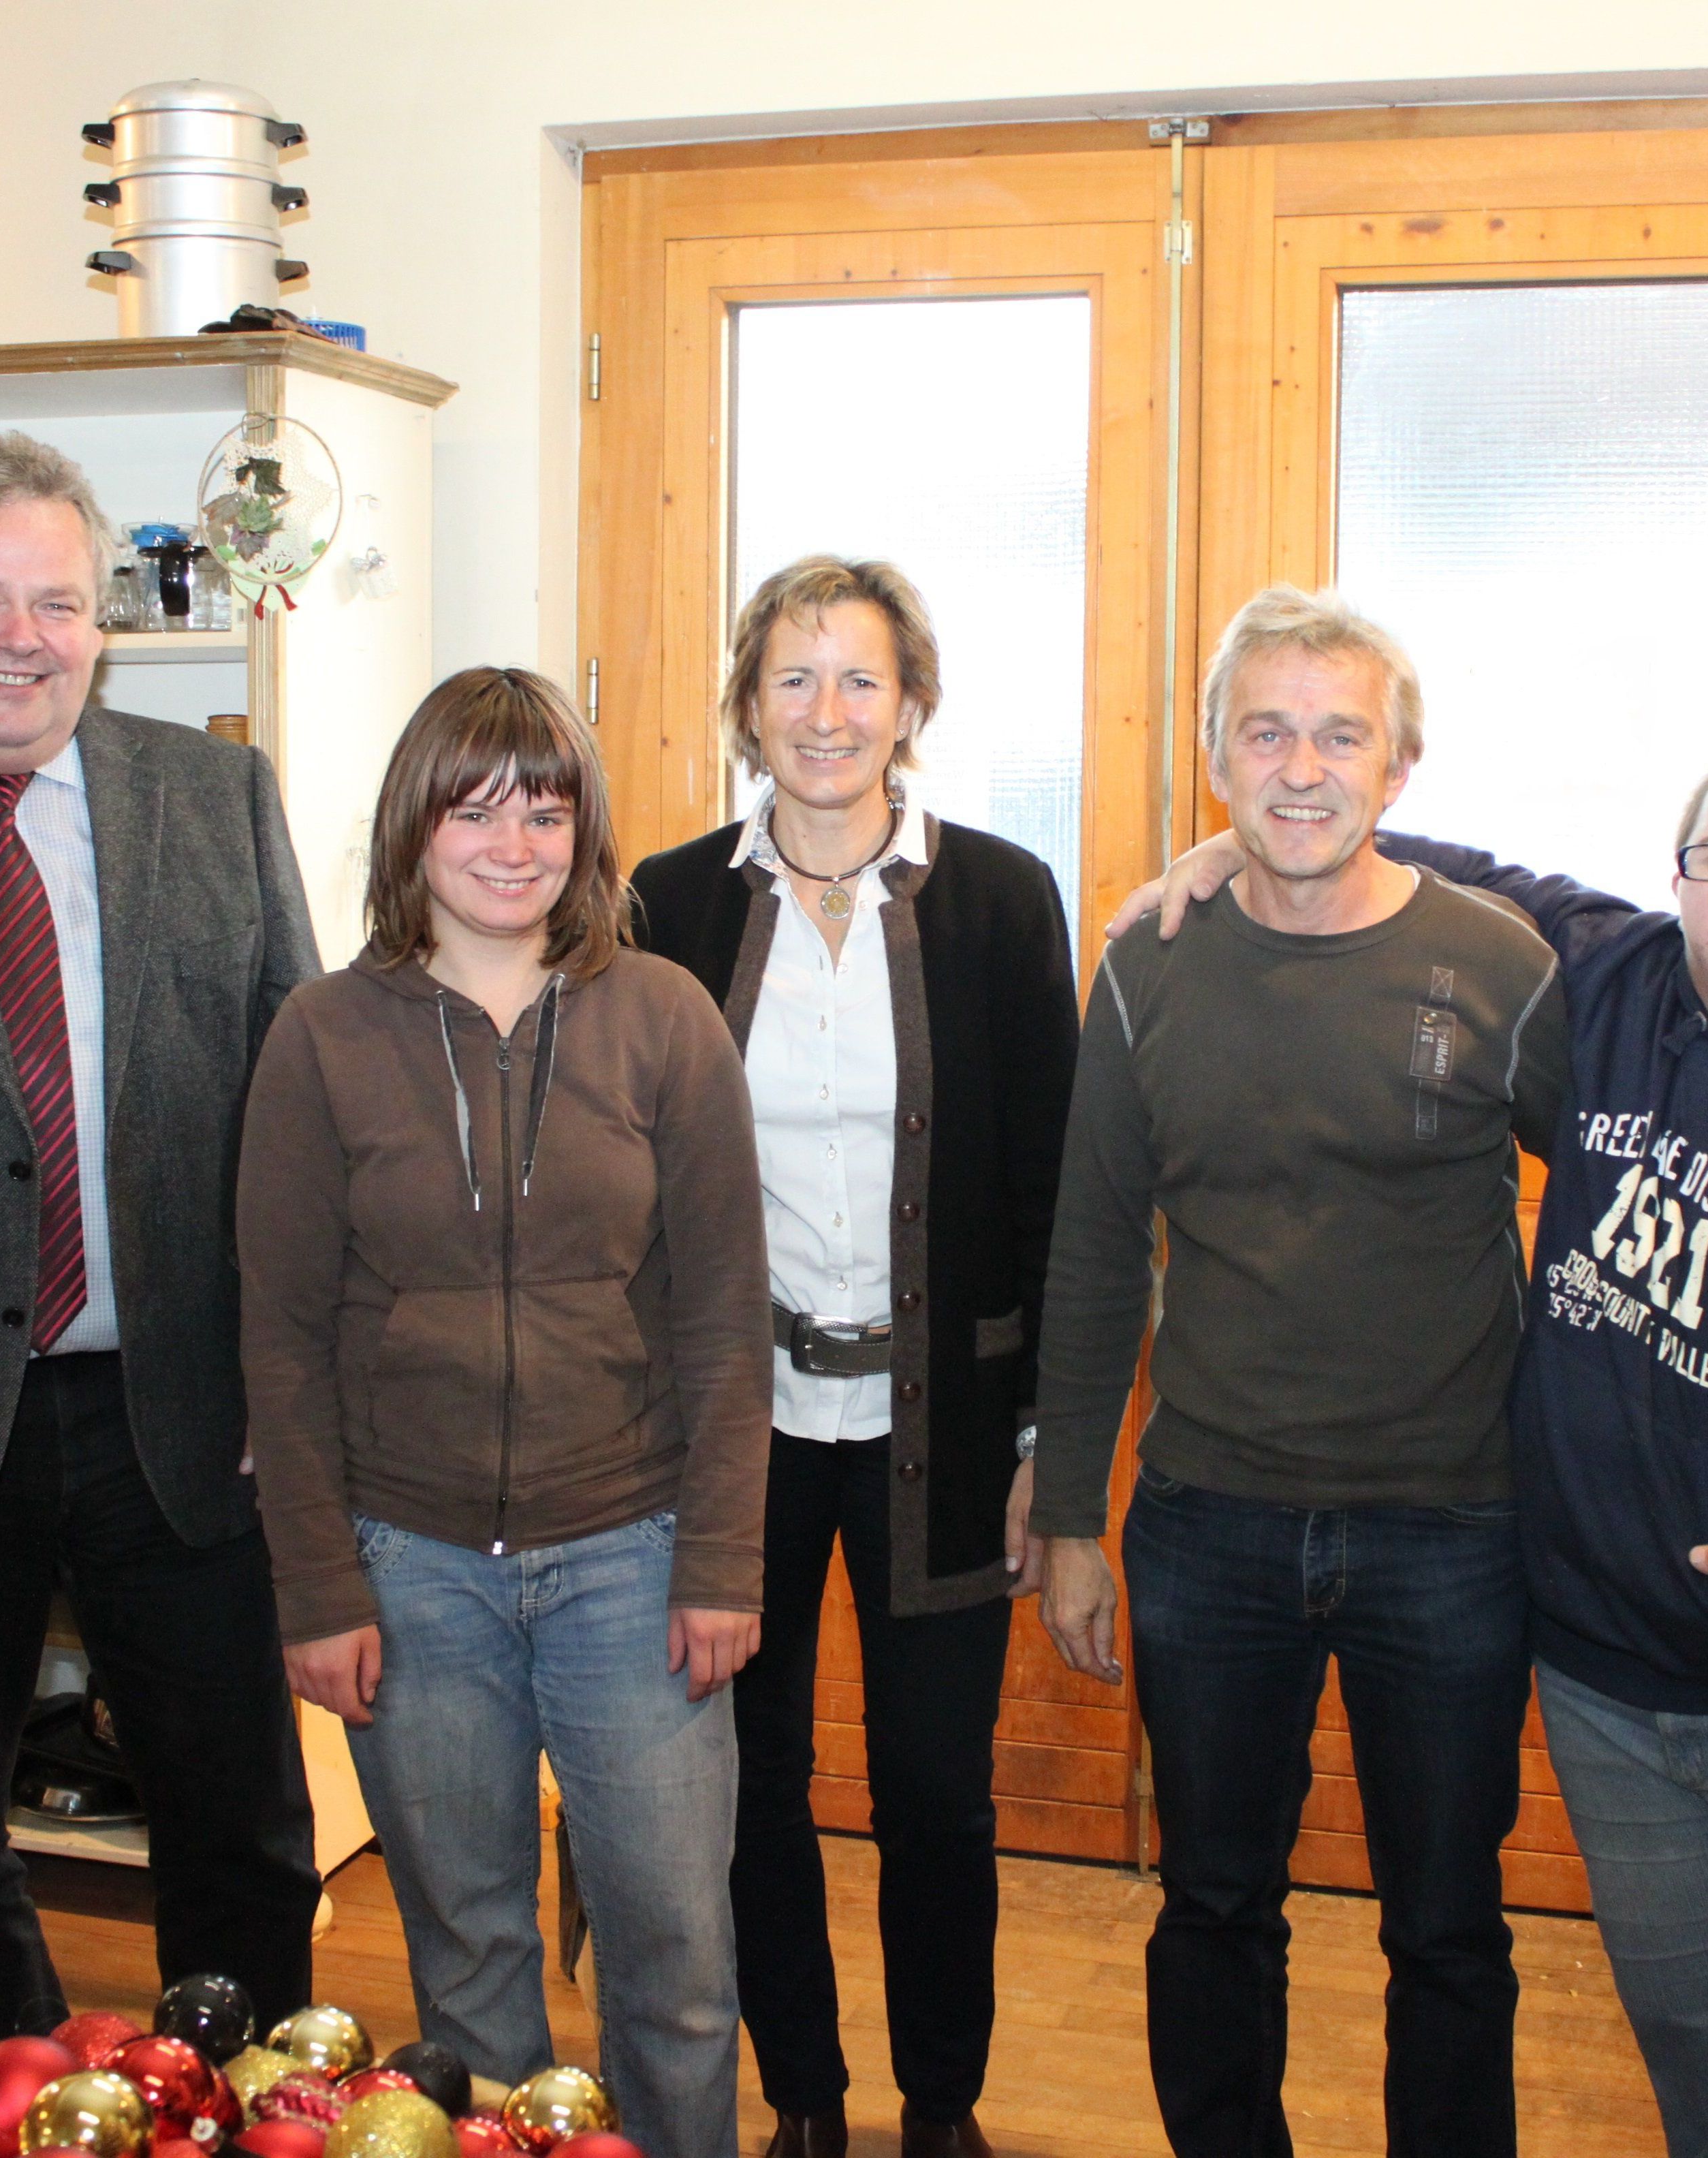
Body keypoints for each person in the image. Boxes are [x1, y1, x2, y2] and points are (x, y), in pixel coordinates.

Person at [1126, 728, 1708, 2157]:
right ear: (1677, 881)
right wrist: (1246, 843)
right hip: (1615, 1698)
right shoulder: (1616, 992)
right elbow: (1454, 867)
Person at [1028, 584, 1569, 2158]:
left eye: (1342, 734)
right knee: (1209, 1905)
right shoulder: (1145, 969)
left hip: (1456, 1533)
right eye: (1265, 731)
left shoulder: (1499, 966)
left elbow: (1616, 1195)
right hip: (1210, 1525)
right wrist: (1070, 1516)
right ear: (1215, 759)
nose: (1303, 768)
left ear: (1399, 766)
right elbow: (1090, 1252)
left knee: (1449, 1929)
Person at [238, 667, 769, 2157]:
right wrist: (319, 1585)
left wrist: (724, 1560)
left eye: (545, 808)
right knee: (468, 1975)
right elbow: (278, 1339)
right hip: (411, 1573)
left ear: (585, 833)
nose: (513, 843)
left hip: (636, 1553)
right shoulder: (321, 1037)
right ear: (414, 827)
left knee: (674, 1973)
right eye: (475, 808)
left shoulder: (661, 1018)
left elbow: (727, 1312)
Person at [0, 431, 323, 2050]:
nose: (20, 637)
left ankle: (238, 2103)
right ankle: (20, 2097)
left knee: (242, 1832)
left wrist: (291, 1380)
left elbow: (293, 1116)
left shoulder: (213, 795)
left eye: (57, 600)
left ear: (102, 619)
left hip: (175, 1413)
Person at [631, 557, 1079, 2158]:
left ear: (914, 705)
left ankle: (939, 2103)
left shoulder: (1005, 898)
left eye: (861, 680)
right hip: (735, 1430)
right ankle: (805, 2098)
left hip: (940, 1430)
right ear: (748, 706)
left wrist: (1045, 1446)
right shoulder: (666, 904)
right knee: (747, 1787)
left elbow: (1052, 1187)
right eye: (795, 680)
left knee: (936, 1796)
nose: (827, 714)